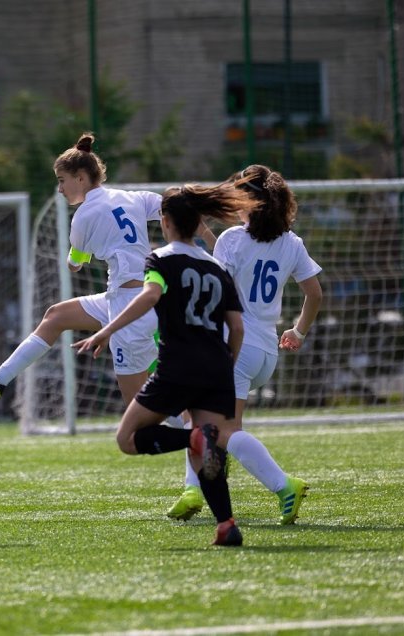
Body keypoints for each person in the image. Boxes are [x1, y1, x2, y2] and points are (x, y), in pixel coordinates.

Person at [0, 132, 210, 417]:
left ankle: (199, 434)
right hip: (136, 296)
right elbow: (177, 208)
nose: (60, 189)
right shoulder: (130, 197)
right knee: (56, 316)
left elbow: (75, 263)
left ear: (81, 177)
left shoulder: (84, 216)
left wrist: (75, 258)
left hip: (131, 305)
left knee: (141, 411)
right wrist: (211, 244)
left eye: (62, 180)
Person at [73, 181, 262, 546]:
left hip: (179, 365)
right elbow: (236, 326)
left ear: (166, 221)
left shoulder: (160, 259)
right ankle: (226, 525)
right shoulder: (217, 267)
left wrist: (105, 331)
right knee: (208, 453)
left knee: (127, 438)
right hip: (217, 368)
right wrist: (227, 365)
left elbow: (150, 296)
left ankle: (192, 438)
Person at [167, 164, 323, 526]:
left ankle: (284, 485)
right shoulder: (291, 242)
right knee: (199, 416)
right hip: (265, 351)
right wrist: (298, 332)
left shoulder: (233, 240)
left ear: (250, 202)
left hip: (233, 347)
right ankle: (192, 490)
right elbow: (314, 294)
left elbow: (215, 291)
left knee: (221, 430)